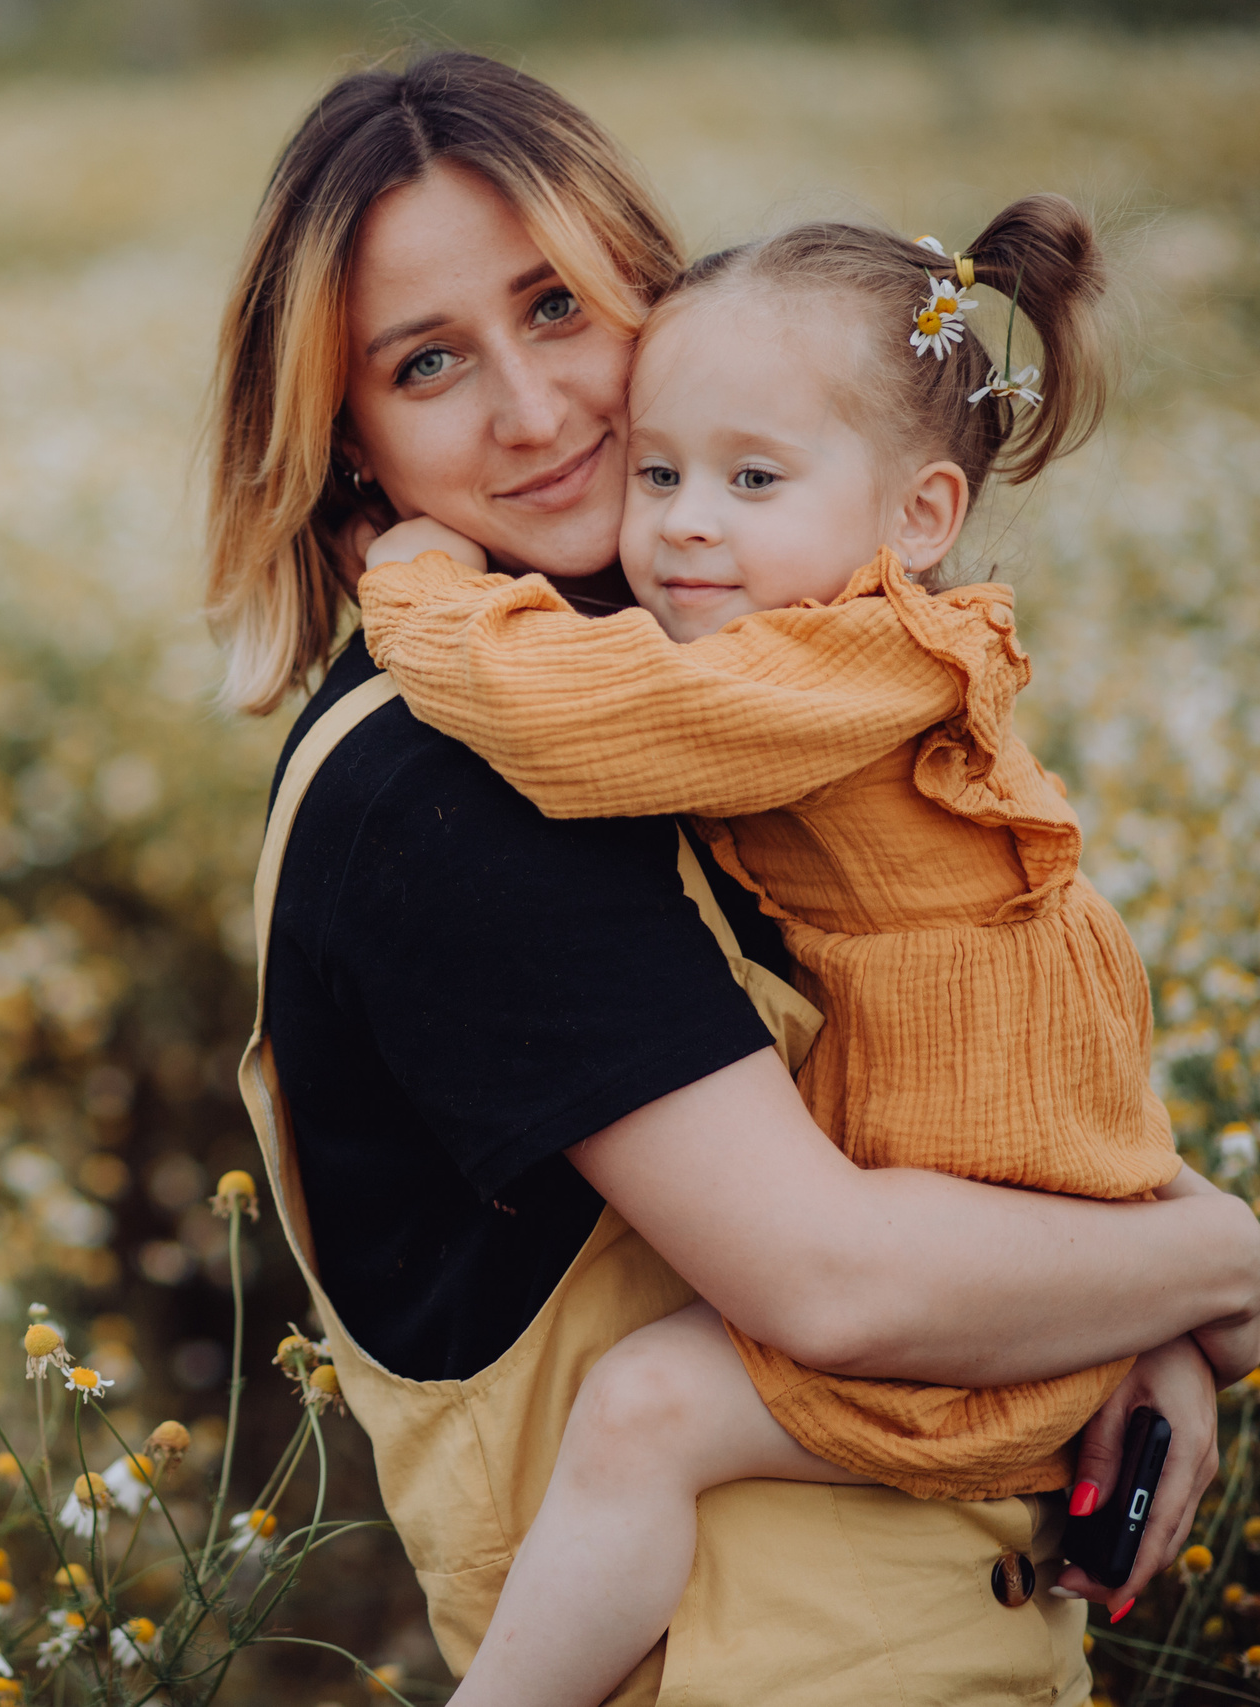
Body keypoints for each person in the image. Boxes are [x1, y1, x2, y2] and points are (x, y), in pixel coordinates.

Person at [206, 51, 1260, 1705]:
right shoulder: (459, 787)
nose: (537, 410)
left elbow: (957, 1085)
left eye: (559, 308)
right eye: (428, 365)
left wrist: (1132, 1328)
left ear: (658, 292)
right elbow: (828, 1274)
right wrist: (1219, 1272)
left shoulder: (718, 668)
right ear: (346, 445)